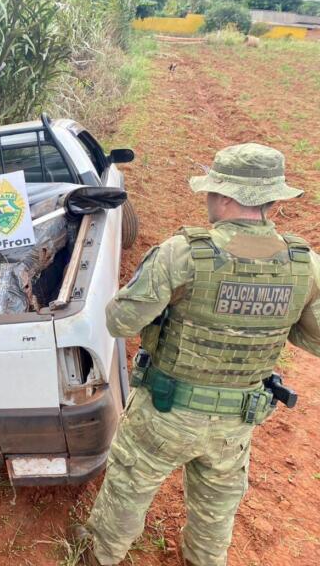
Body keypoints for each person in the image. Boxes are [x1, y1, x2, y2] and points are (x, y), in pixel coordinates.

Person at [78, 143, 320, 566]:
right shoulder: (306, 265)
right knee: (217, 509)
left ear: (226, 197)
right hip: (237, 419)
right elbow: (313, 337)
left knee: (129, 488)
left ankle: (100, 556)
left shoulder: (183, 253)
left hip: (165, 412)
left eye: (211, 192)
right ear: (270, 200)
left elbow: (121, 322)